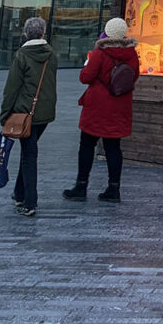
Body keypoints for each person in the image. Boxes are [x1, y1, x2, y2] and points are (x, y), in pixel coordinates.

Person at [63, 17, 139, 204]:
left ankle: (81, 186)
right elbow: (133, 77)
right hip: (119, 106)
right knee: (113, 148)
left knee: (87, 145)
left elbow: (85, 77)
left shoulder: (99, 53)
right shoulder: (132, 54)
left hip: (97, 107)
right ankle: (114, 189)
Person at [0, 17, 58, 217]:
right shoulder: (51, 54)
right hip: (44, 113)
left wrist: (5, 115)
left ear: (26, 33)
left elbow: (12, 88)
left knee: (29, 155)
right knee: (28, 150)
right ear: (43, 32)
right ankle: (19, 193)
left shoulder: (22, 55)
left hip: (25, 113)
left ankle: (30, 202)